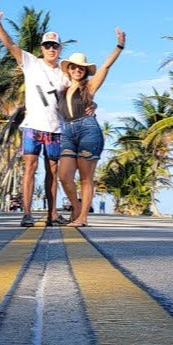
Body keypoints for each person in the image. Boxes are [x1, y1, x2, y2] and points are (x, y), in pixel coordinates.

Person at [0, 1, 67, 227]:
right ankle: (27, 213)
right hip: (32, 126)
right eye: (48, 45)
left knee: (52, 170)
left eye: (55, 46)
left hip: (55, 128)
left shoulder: (64, 74)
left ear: (59, 49)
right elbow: (10, 45)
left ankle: (52, 214)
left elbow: (76, 95)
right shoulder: (31, 63)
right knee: (30, 168)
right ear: (41, 48)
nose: (51, 49)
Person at [57, 27, 125, 227]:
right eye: (74, 67)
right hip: (67, 131)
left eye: (81, 68)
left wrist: (119, 46)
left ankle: (83, 217)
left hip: (88, 130)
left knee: (86, 178)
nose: (78, 70)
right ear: (68, 69)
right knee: (65, 177)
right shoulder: (62, 89)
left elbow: (105, 67)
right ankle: (76, 209)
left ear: (85, 71)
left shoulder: (89, 87)